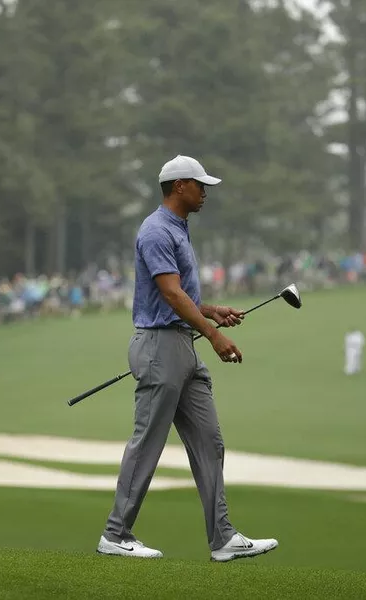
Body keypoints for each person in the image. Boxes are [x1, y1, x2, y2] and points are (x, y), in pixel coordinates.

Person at [96, 155, 278, 562]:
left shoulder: (178, 229)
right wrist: (213, 335)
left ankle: (223, 537)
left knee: (209, 441)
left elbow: (184, 297)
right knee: (148, 443)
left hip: (182, 347)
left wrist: (211, 311)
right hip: (161, 347)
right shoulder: (156, 230)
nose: (205, 192)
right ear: (179, 186)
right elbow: (171, 295)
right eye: (200, 185)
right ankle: (116, 533)